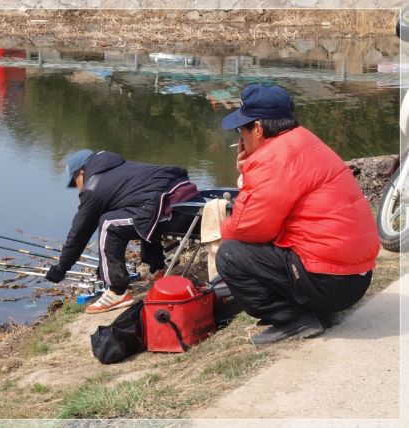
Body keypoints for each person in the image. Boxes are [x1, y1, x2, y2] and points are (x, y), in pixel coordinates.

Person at [216, 84, 380, 345]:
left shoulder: (274, 158)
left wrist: (224, 226)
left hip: (330, 281)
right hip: (356, 277)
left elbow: (248, 228)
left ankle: (293, 320)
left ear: (257, 128)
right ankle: (320, 312)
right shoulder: (304, 141)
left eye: (241, 130)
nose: (241, 138)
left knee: (230, 254)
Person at [45, 149, 198, 314]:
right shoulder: (120, 170)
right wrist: (104, 266)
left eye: (75, 182)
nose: (77, 188)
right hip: (187, 203)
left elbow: (79, 233)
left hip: (171, 215)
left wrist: (61, 267)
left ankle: (117, 292)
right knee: (134, 210)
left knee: (108, 224)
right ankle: (158, 269)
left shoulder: (93, 187)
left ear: (81, 172)